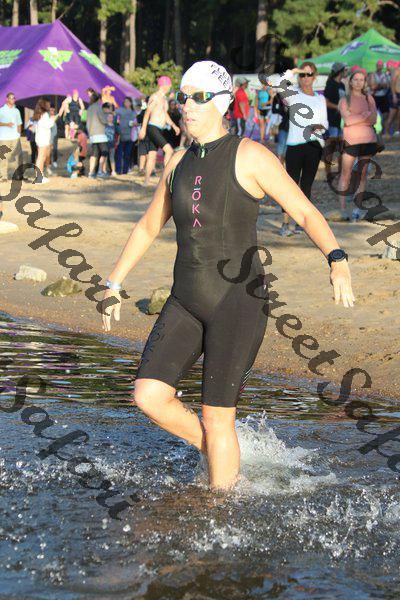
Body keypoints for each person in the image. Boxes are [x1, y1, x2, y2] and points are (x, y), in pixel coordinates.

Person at [100, 60, 354, 492]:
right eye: (182, 96)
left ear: (220, 102)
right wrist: (114, 282)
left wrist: (337, 258)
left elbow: (304, 211)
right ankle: (223, 451)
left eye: (197, 97)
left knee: (218, 417)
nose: (186, 105)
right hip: (185, 299)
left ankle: (222, 500)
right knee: (148, 395)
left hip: (238, 303)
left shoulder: (250, 155)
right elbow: (147, 226)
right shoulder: (177, 162)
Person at [268, 62, 328, 236]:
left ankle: (302, 223)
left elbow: (325, 122)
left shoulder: (320, 99)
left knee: (307, 186)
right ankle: (285, 223)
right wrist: (292, 71)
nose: (306, 78)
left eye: (309, 74)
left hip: (314, 145)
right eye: (303, 75)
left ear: (315, 77)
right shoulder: (293, 94)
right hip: (295, 144)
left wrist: (319, 128)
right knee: (290, 185)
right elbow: (277, 84)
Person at [338, 69, 377, 222]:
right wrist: (363, 116)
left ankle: (357, 208)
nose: (359, 82)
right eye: (356, 79)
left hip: (368, 141)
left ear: (365, 82)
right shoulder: (345, 100)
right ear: (350, 81)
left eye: (361, 79)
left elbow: (373, 119)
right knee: (345, 174)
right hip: (350, 141)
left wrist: (355, 117)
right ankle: (342, 209)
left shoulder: (369, 98)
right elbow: (347, 121)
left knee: (362, 175)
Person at [139, 76, 180, 186]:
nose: (170, 87)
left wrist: (174, 125)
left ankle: (146, 181)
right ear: (164, 85)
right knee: (169, 150)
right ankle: (165, 179)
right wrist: (143, 128)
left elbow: (165, 115)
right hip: (152, 127)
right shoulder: (155, 97)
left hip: (158, 128)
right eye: (169, 85)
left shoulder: (164, 99)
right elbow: (147, 112)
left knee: (152, 155)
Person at [323, 62, 347, 180]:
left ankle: (340, 172)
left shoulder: (342, 85)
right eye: (345, 70)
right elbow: (326, 102)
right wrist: (337, 107)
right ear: (340, 71)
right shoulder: (330, 84)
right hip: (331, 120)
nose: (346, 72)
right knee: (330, 148)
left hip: (341, 121)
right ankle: (328, 174)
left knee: (342, 148)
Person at [32, 96, 62, 184]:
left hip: (40, 138)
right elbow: (49, 124)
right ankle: (38, 178)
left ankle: (40, 176)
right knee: (41, 158)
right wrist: (55, 118)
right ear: (45, 105)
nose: (49, 105)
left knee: (41, 157)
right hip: (43, 138)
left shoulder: (39, 114)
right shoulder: (44, 115)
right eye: (48, 104)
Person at [0, 92, 23, 186]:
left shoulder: (16, 111)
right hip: (4, 137)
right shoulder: (1, 110)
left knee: (18, 156)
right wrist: (6, 124)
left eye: (14, 98)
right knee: (3, 157)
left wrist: (18, 134)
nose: (13, 100)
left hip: (15, 137)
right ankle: (3, 176)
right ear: (7, 99)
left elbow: (19, 124)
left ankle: (18, 175)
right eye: (11, 98)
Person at [86, 91, 109, 178]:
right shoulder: (98, 107)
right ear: (99, 99)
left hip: (92, 134)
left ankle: (91, 172)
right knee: (104, 152)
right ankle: (100, 171)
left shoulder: (89, 108)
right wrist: (107, 117)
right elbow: (103, 120)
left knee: (94, 154)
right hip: (100, 134)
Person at [115, 97, 136, 174]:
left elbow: (137, 121)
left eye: (127, 101)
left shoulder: (133, 112)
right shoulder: (120, 110)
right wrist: (117, 127)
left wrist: (135, 124)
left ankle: (125, 170)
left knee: (127, 155)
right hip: (121, 135)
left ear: (131, 103)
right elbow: (114, 114)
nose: (126, 103)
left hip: (131, 136)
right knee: (119, 154)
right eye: (125, 102)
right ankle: (118, 170)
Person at [368, 60, 390, 135]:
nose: (379, 67)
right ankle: (372, 131)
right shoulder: (372, 74)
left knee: (385, 115)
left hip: (384, 97)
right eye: (378, 65)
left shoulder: (385, 75)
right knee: (373, 115)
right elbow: (372, 86)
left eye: (380, 65)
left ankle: (383, 131)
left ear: (382, 66)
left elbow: (387, 85)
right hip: (375, 97)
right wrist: (381, 85)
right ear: (376, 66)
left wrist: (377, 85)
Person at [386, 61, 400, 137]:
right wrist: (394, 95)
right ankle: (386, 133)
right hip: (395, 95)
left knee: (399, 116)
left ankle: (397, 131)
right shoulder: (396, 70)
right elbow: (392, 84)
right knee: (391, 115)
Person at [104, 105, 117, 177]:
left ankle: (113, 171)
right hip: (105, 144)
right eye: (109, 117)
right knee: (105, 158)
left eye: (111, 117)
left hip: (112, 144)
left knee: (112, 158)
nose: (110, 118)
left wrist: (117, 141)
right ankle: (104, 170)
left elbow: (118, 133)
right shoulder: (104, 125)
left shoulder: (114, 126)